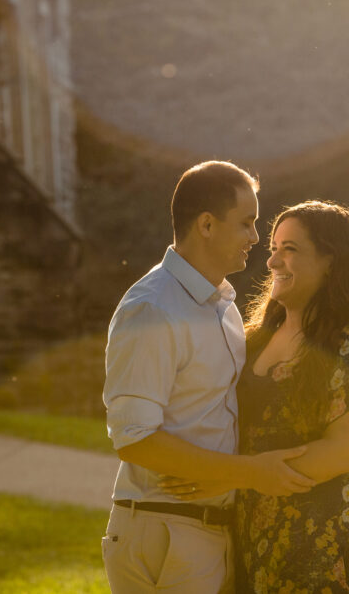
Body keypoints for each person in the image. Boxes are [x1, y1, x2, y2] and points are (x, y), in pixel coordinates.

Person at [163, 200, 349, 593]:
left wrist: (230, 475)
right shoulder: (253, 341)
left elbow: (340, 452)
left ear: (331, 262)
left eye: (289, 249)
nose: (272, 261)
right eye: (273, 248)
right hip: (255, 538)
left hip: (331, 547)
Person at [101, 161, 316, 594]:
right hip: (166, 531)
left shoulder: (223, 307)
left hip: (207, 531)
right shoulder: (153, 308)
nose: (256, 238)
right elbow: (134, 436)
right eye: (246, 223)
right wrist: (250, 471)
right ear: (206, 225)